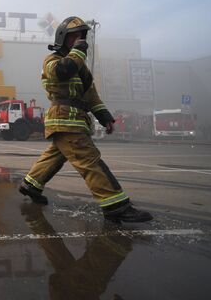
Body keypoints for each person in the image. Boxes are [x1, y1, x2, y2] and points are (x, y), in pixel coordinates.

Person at [19, 16, 152, 223]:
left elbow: (91, 96)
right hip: (65, 121)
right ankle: (116, 205)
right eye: (74, 36)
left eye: (82, 36)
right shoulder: (52, 60)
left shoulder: (83, 69)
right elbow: (63, 71)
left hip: (74, 122)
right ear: (63, 38)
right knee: (90, 161)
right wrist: (79, 50)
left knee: (57, 155)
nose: (80, 39)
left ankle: (31, 184)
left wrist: (105, 116)